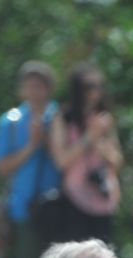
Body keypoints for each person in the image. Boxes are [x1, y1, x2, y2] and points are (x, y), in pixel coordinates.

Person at [0, 62, 63, 258]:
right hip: (24, 207)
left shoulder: (62, 117)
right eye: (29, 85)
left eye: (39, 85)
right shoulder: (10, 122)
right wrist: (32, 145)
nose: (33, 91)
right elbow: (2, 167)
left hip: (62, 205)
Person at [48, 63, 123, 244]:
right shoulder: (63, 118)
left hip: (103, 197)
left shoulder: (104, 119)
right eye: (89, 86)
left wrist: (100, 143)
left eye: (99, 86)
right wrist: (89, 138)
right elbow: (61, 161)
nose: (95, 92)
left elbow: (117, 161)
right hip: (74, 198)